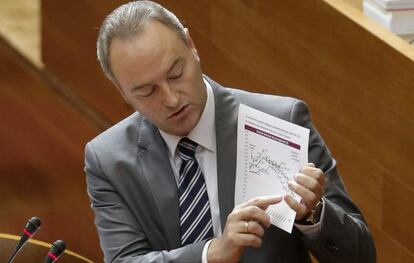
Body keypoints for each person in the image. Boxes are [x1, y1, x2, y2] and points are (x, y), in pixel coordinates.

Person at [84, 1, 376, 262]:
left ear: (191, 45)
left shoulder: (280, 121)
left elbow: (362, 255)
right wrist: (212, 253)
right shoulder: (108, 159)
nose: (171, 99)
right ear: (121, 91)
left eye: (176, 74)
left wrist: (313, 214)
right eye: (147, 91)